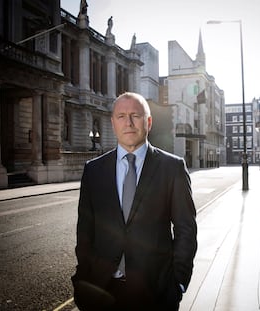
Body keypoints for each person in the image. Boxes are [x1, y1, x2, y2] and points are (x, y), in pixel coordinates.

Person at [71, 92, 198, 310]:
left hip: (156, 292)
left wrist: (178, 282)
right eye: (121, 116)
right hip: (102, 290)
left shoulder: (172, 168)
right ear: (113, 122)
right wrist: (83, 278)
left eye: (135, 115)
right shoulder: (93, 170)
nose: (128, 123)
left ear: (148, 122)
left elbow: (186, 229)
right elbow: (85, 231)